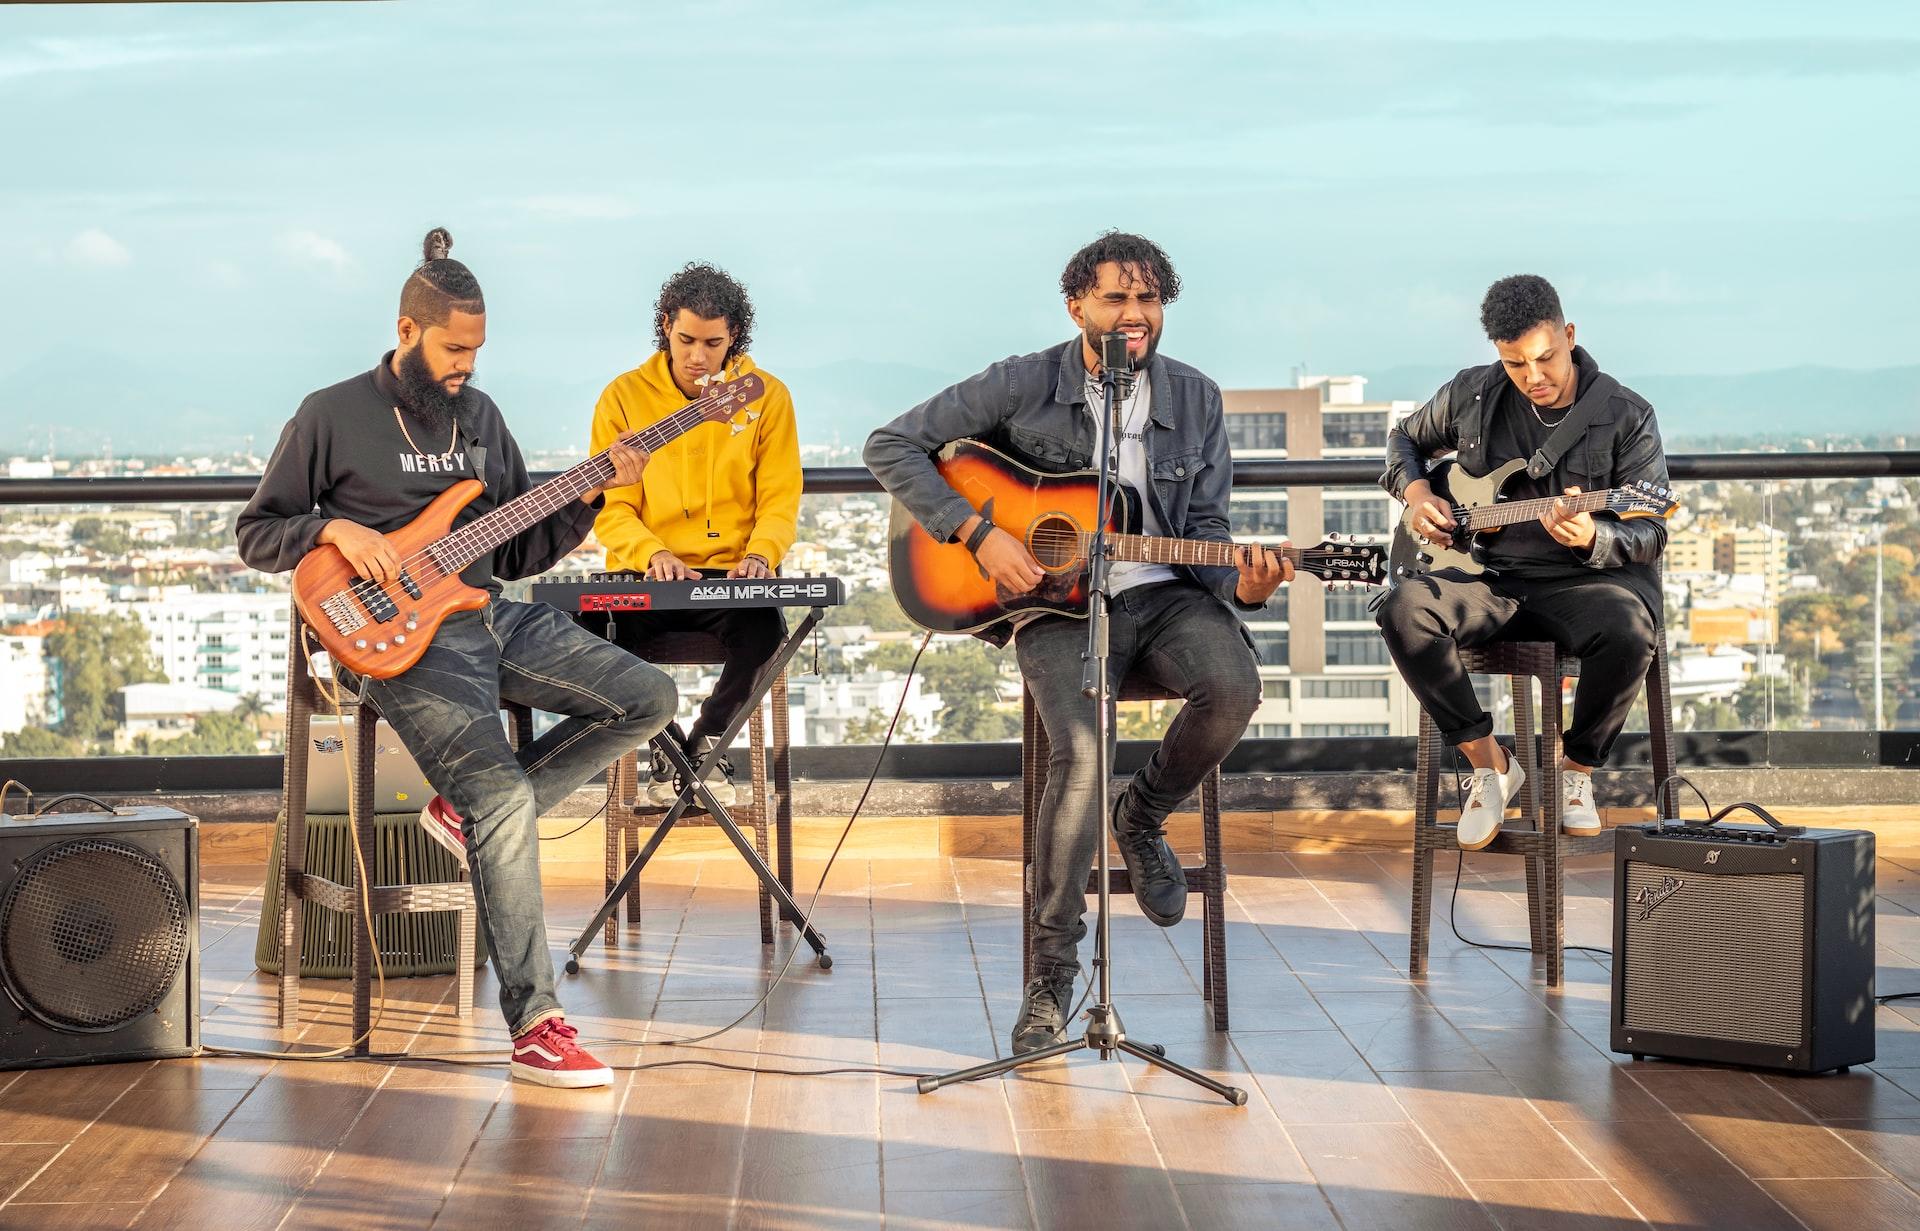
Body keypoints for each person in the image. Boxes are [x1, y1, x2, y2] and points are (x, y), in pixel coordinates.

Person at [237, 228, 676, 1088]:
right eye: (452, 350)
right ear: (407, 331)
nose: (465, 367)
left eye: (476, 351)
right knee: (500, 794)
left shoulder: (480, 418)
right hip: (399, 640)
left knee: (650, 697)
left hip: (486, 611)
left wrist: (593, 491)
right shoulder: (331, 413)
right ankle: (537, 1023)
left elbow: (518, 548)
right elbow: (257, 532)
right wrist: (333, 529)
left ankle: (469, 810)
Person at [865, 231, 1293, 1055]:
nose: (1135, 314)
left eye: (1148, 298)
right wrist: (979, 532)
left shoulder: (1196, 397)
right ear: (1076, 307)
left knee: (1235, 686)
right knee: (1083, 753)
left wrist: (1247, 585)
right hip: (1055, 607)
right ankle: (1052, 976)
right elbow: (890, 445)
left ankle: (1145, 815)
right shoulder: (1022, 381)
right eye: (1115, 298)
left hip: (1166, 595)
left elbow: (1208, 531)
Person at [1375, 274, 1669, 850]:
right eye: (1515, 364)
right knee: (1402, 608)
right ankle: (1489, 764)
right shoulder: (1472, 394)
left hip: (1584, 585)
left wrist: (1594, 535)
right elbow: (1402, 441)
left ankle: (1576, 774)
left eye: (1545, 357)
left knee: (1631, 630)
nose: (1533, 377)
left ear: (1569, 335)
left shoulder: (1627, 414)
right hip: (1486, 578)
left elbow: (1651, 531)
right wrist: (1418, 494)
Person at [588, 262, 802, 806]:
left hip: (730, 576)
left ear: (735, 337)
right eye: (686, 340)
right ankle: (668, 745)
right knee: (593, 631)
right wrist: (652, 552)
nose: (697, 357)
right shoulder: (622, 397)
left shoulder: (767, 397)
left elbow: (779, 498)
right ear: (666, 326)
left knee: (765, 632)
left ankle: (707, 739)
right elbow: (612, 507)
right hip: (647, 575)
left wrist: (761, 555)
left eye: (712, 343)